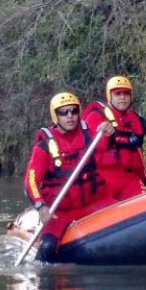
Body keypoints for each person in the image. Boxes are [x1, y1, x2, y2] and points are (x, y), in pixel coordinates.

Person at [23, 92, 114, 260]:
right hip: (60, 211)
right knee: (48, 248)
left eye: (73, 111)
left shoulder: (90, 132)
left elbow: (106, 144)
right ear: (55, 116)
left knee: (127, 218)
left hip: (92, 203)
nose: (70, 116)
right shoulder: (44, 146)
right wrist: (41, 207)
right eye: (63, 112)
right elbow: (31, 181)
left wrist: (109, 131)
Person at [82, 76, 146, 202]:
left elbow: (138, 145)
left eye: (126, 93)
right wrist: (106, 135)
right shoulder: (96, 116)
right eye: (118, 93)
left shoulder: (134, 118)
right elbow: (89, 148)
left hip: (131, 179)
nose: (122, 97)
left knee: (145, 201)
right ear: (110, 96)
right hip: (106, 180)